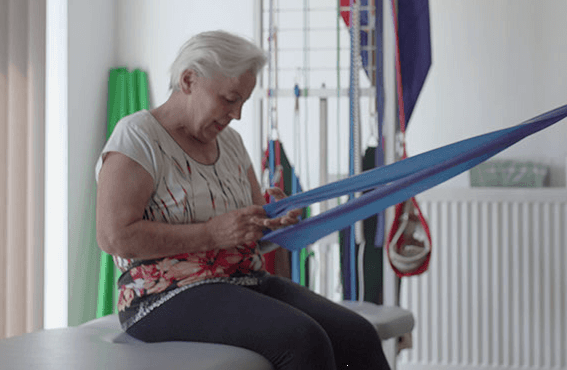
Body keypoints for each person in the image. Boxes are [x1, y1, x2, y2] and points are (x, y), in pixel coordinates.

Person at [95, 30, 391, 370]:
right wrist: (210, 234)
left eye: (242, 103)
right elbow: (114, 237)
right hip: (161, 296)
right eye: (229, 99)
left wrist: (273, 224)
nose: (236, 114)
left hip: (244, 279)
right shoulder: (138, 137)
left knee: (357, 334)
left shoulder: (231, 142)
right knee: (302, 339)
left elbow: (251, 232)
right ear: (188, 80)